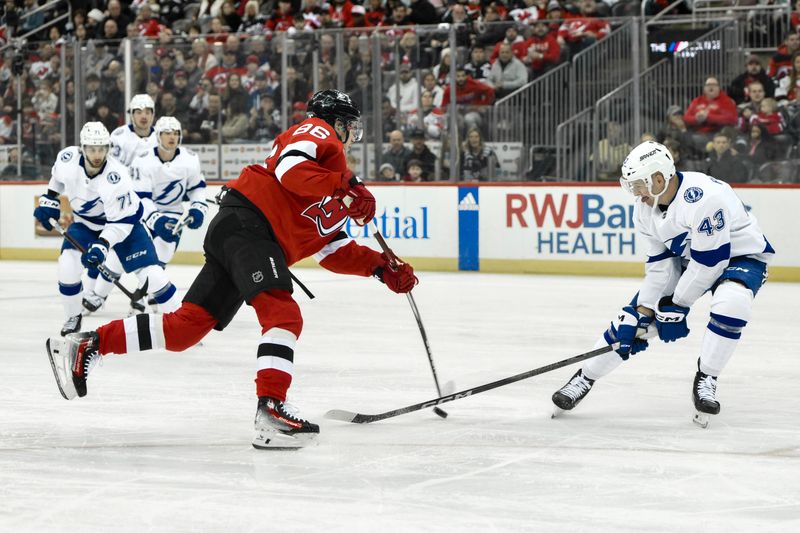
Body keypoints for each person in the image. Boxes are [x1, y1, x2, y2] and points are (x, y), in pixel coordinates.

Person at [44, 91, 419, 449]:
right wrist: (345, 185)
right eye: (349, 124)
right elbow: (290, 169)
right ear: (336, 121)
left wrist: (380, 267)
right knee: (283, 315)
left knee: (185, 329)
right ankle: (271, 410)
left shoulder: (332, 179)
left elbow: (332, 249)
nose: (352, 134)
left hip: (241, 231)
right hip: (250, 226)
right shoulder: (318, 134)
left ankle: (87, 344)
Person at [551, 141, 774, 427]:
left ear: (659, 178)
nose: (635, 193)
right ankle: (584, 377)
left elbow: (711, 262)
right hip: (690, 260)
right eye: (630, 186)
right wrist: (645, 311)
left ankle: (707, 376)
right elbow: (660, 265)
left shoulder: (704, 198)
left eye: (639, 185)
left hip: (738, 256)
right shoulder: (645, 209)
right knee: (630, 324)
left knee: (732, 303)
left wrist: (676, 306)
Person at [32, 122, 182, 337]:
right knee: (67, 265)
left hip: (126, 226)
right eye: (92, 149)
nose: (97, 154)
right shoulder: (67, 158)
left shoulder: (117, 176)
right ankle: (73, 316)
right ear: (83, 148)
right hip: (85, 224)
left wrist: (102, 246)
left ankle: (183, 322)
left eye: (101, 148)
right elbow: (57, 179)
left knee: (154, 276)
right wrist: (50, 200)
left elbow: (119, 223)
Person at [83, 117, 208, 313]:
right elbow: (141, 197)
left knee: (162, 250)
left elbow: (197, 189)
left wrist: (198, 208)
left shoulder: (190, 159)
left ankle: (145, 295)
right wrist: (156, 219)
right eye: (167, 133)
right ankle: (98, 295)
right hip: (143, 214)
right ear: (158, 136)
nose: (172, 137)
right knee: (119, 254)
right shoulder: (143, 161)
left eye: (175, 133)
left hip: (173, 214)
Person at [110, 94, 157, 166]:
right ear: (132, 115)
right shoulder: (119, 136)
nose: (144, 116)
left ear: (152, 115)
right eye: (139, 112)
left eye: (147, 112)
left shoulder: (161, 137)